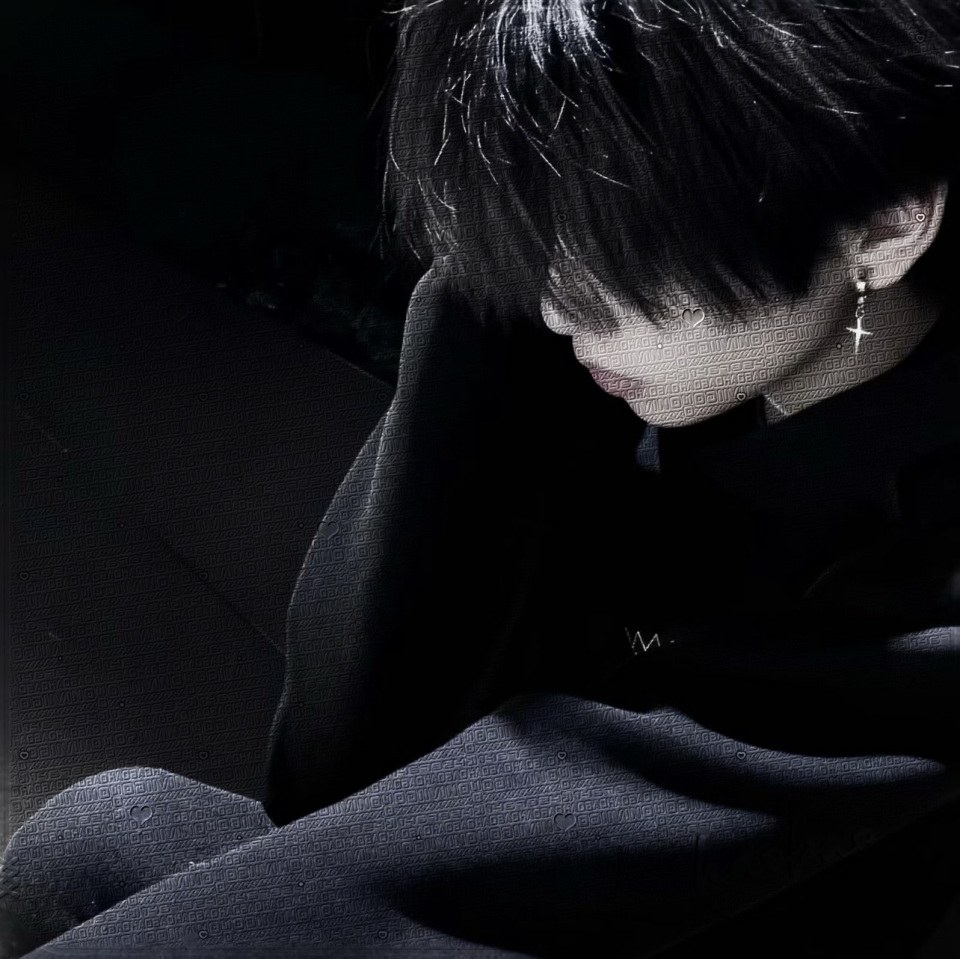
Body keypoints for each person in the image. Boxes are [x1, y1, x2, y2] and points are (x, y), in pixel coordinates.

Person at [3, 1, 960, 956]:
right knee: (94, 836)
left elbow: (509, 857)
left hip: (678, 915)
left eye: (623, 245)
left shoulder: (930, 584)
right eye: (546, 236)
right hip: (533, 861)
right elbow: (337, 767)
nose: (556, 308)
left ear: (885, 226)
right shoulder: (601, 349)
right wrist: (482, 306)